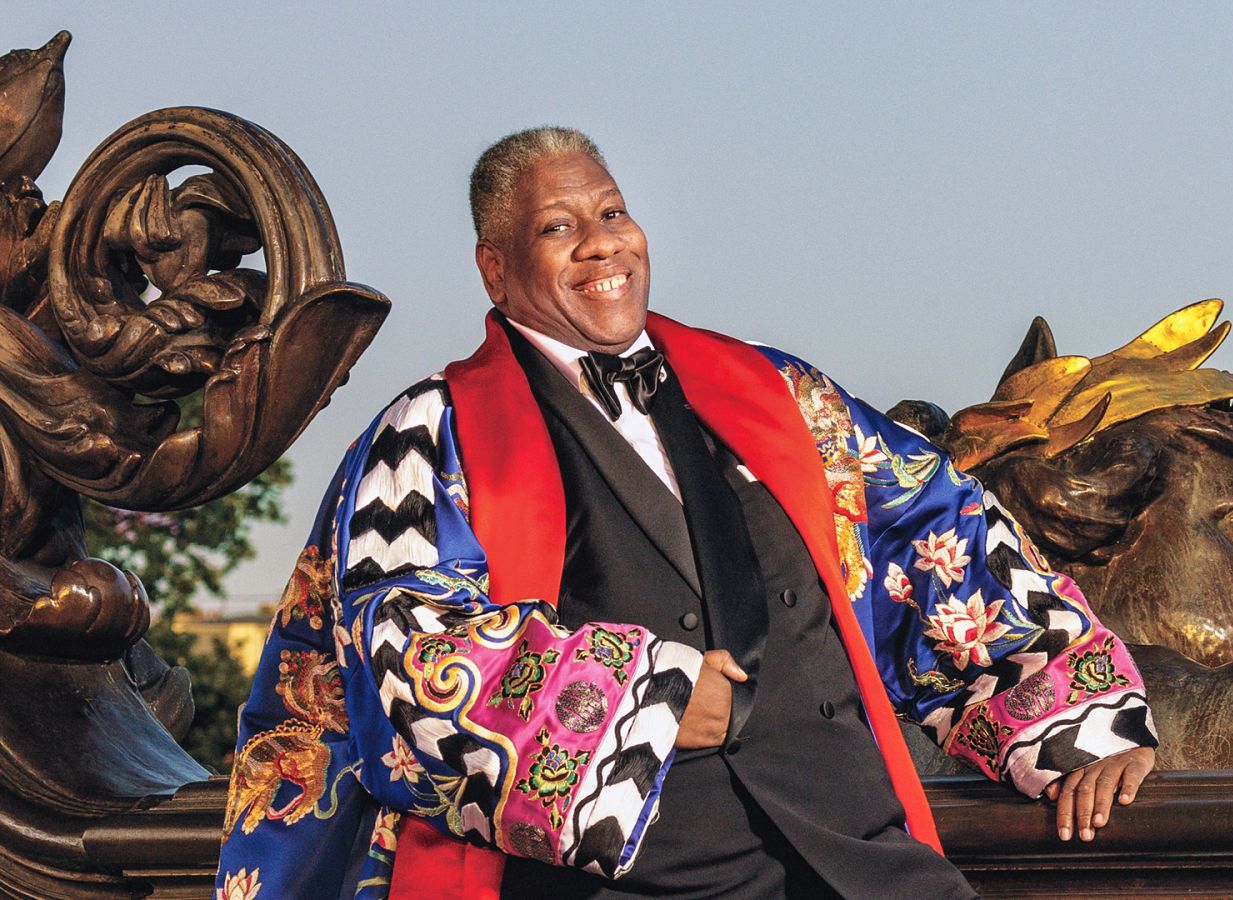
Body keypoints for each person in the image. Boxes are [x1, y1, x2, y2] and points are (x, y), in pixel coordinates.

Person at [215, 127, 1157, 899]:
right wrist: (651, 702)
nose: (601, 243)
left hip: (862, 859)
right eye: (558, 226)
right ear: (495, 271)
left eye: (612, 212)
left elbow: (931, 534)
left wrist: (1080, 726)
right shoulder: (427, 434)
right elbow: (402, 655)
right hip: (628, 883)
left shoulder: (779, 392)